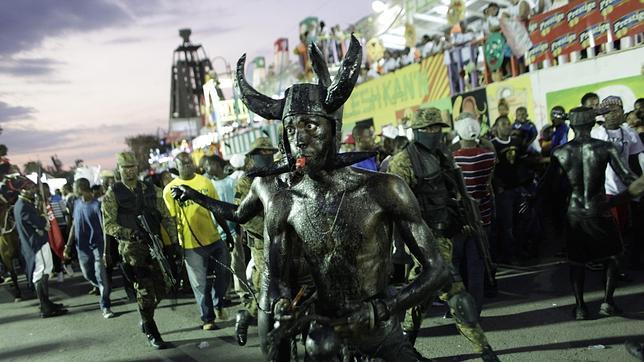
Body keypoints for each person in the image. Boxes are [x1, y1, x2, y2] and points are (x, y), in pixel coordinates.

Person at [171, 36, 451, 361]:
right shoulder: (283, 201)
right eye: (291, 130)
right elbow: (275, 282)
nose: (300, 138)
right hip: (323, 334)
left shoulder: (384, 189)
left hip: (380, 330)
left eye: (310, 126)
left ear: (332, 130)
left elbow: (437, 269)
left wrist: (384, 307)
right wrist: (280, 305)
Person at [388, 107, 499, 361]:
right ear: (416, 131)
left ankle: (403, 346)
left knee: (420, 298)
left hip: (446, 234)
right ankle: (486, 352)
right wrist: (401, 246)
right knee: (457, 295)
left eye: (437, 128)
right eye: (428, 129)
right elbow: (394, 206)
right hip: (423, 239)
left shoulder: (443, 155)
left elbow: (454, 193)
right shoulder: (403, 161)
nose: (434, 132)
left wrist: (465, 218)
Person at [541, 107, 644, 319]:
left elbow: (548, 186)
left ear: (572, 125)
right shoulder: (605, 147)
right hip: (600, 209)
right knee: (613, 256)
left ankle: (580, 307)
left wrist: (543, 211)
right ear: (591, 124)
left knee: (577, 261)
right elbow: (628, 178)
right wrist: (620, 199)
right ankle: (608, 301)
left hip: (574, 212)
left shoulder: (560, 152)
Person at [102, 151, 180, 349]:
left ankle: (145, 317)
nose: (130, 171)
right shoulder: (113, 194)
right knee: (145, 291)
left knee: (164, 287)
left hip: (155, 244)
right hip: (132, 249)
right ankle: (150, 327)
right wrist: (130, 234)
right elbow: (108, 225)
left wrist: (173, 242)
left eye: (132, 167)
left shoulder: (149, 189)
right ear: (119, 169)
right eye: (125, 167)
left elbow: (167, 216)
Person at [163, 152, 231, 331]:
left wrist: (227, 233)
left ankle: (219, 303)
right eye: (182, 164)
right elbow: (170, 220)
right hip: (190, 244)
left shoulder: (205, 182)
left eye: (189, 163)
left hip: (214, 238)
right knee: (200, 284)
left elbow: (216, 208)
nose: (187, 166)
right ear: (176, 167)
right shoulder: (170, 190)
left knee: (223, 275)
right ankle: (208, 318)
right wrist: (174, 246)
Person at [231, 136, 277, 346]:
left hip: (285, 239)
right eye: (262, 153)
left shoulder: (279, 176)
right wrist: (270, 230)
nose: (266, 157)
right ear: (252, 157)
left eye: (269, 153)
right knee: (264, 289)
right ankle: (246, 316)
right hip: (261, 243)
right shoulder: (245, 182)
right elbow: (244, 216)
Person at [591, 97, 644, 267]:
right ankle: (611, 266)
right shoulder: (596, 134)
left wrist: (638, 185)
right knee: (612, 230)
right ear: (604, 115)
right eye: (611, 112)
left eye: (618, 110)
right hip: (605, 189)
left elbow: (636, 160)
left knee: (626, 228)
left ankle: (622, 263)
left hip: (626, 189)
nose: (616, 114)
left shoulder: (630, 132)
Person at [14, 181, 68, 318]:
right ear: (23, 190)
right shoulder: (23, 206)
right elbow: (38, 223)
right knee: (39, 272)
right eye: (30, 188)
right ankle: (45, 307)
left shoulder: (25, 204)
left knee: (46, 270)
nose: (33, 190)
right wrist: (43, 219)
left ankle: (47, 302)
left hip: (40, 242)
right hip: (35, 244)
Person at [64, 178, 113, 318]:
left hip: (97, 246)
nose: (73, 188)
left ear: (81, 188)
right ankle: (103, 287)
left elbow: (105, 229)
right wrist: (68, 245)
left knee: (100, 276)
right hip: (82, 248)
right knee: (87, 274)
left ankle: (105, 306)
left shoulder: (97, 206)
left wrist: (105, 251)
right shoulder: (77, 203)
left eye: (74, 186)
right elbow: (74, 225)